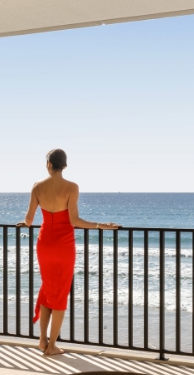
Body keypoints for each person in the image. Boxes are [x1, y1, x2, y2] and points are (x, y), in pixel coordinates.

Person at [17, 149, 120, 356]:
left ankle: (42, 340)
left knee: (47, 288)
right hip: (63, 245)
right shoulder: (72, 187)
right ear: (64, 165)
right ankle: (52, 346)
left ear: (48, 164)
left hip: (44, 243)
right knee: (60, 292)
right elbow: (74, 220)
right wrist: (100, 225)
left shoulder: (37, 186)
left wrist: (24, 223)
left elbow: (29, 220)